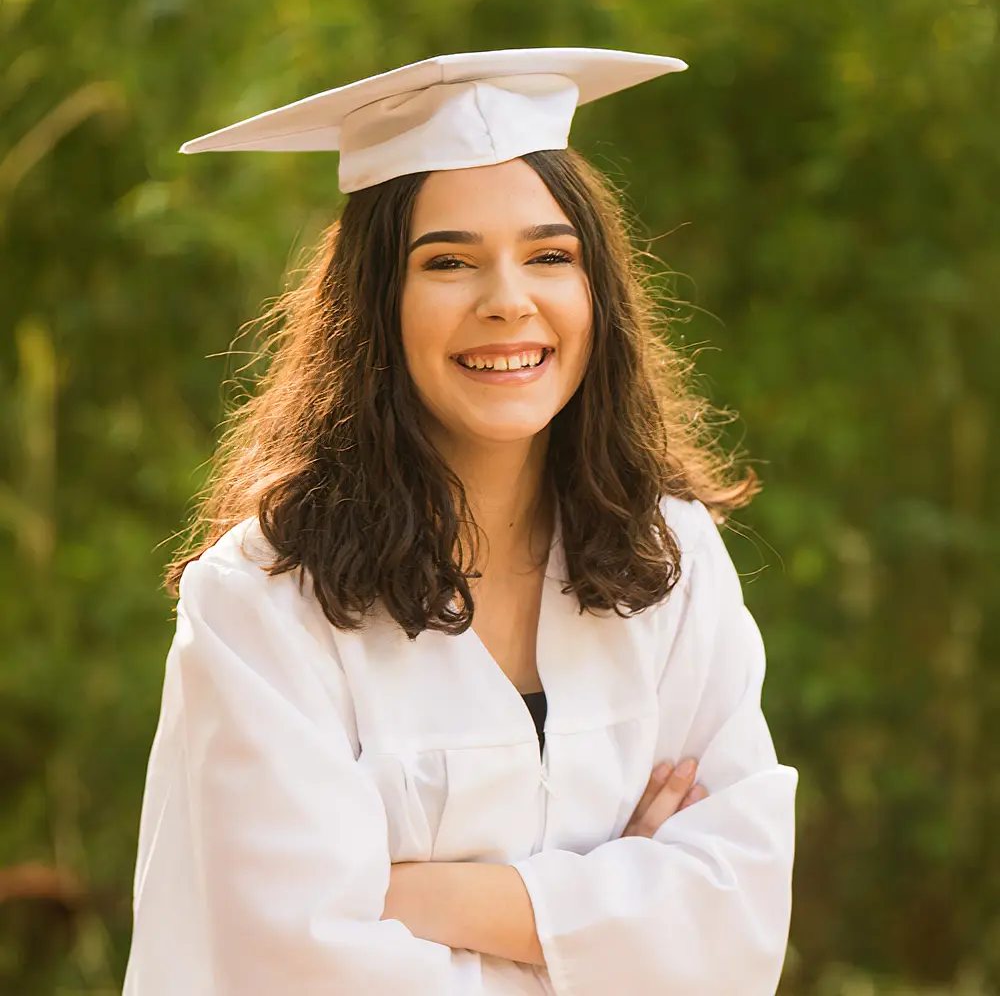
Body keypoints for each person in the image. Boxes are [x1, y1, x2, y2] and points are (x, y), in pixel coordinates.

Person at [123, 48, 798, 996]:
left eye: (550, 255)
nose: (508, 301)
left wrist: (420, 900)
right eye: (448, 261)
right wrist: (611, 922)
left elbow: (733, 918)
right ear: (375, 304)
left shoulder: (669, 555)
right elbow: (294, 960)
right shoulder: (263, 604)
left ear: (596, 291)